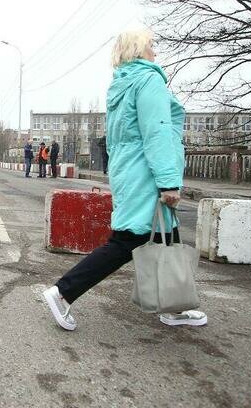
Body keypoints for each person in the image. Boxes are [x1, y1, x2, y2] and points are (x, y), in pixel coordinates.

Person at [42, 28, 206, 331]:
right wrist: (168, 181)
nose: (155, 51)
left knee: (161, 236)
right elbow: (156, 131)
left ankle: (173, 306)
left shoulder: (122, 83)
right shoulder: (148, 79)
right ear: (140, 48)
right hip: (147, 173)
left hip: (130, 171)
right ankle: (63, 292)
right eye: (152, 45)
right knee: (127, 240)